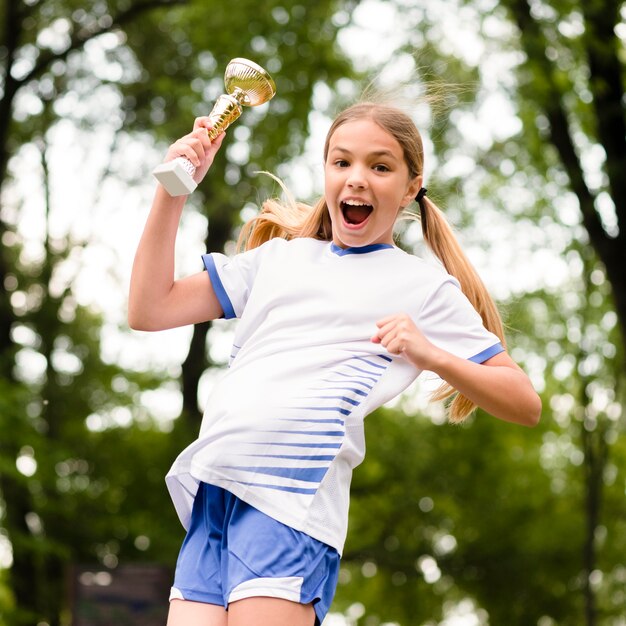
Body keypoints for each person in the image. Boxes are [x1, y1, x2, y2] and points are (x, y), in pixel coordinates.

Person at [128, 100, 541, 626]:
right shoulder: (277, 260)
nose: (357, 179)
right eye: (341, 162)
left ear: (412, 186)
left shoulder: (422, 286)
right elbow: (148, 308)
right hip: (214, 493)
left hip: (290, 506)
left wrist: (430, 353)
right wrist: (172, 189)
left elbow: (524, 402)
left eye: (380, 166)